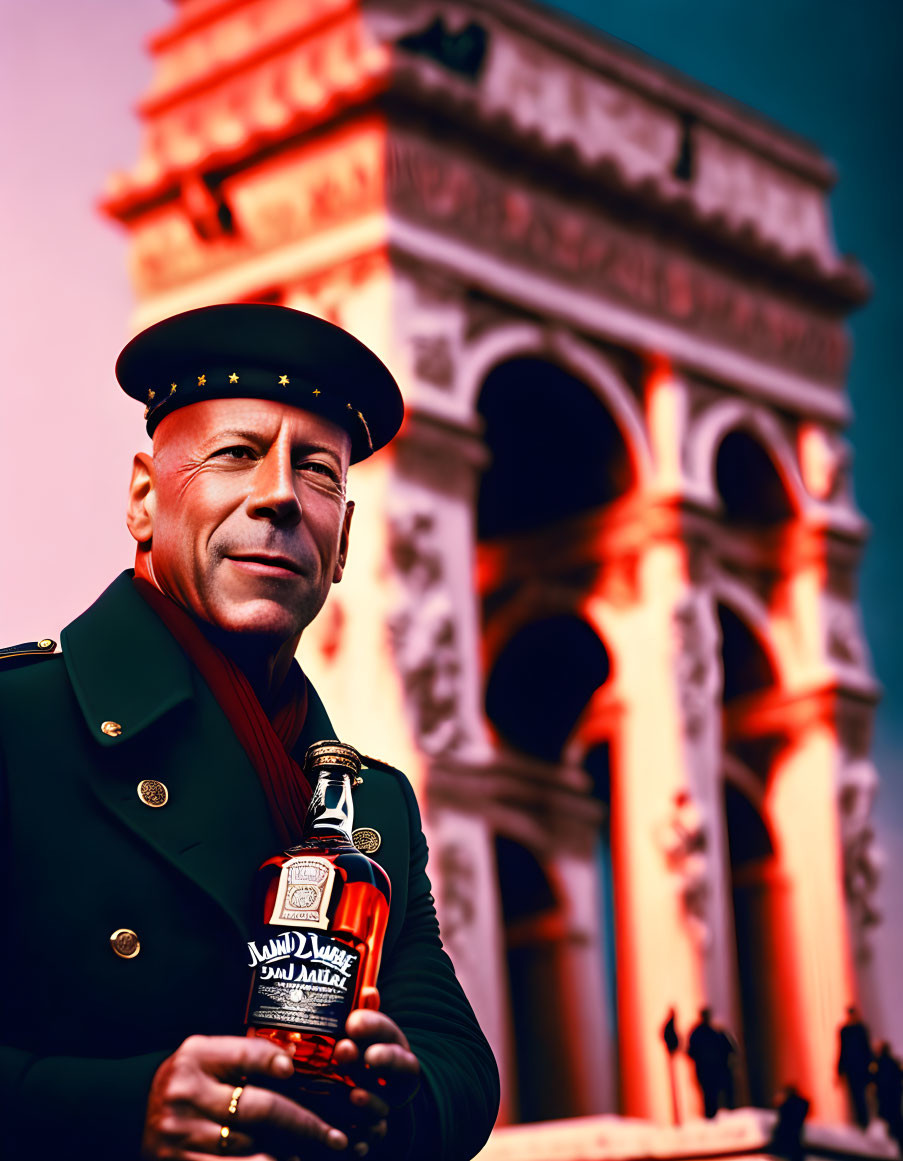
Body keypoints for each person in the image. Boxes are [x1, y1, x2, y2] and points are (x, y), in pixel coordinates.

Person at [0, 303, 499, 1161]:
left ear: (340, 548)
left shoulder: (376, 801)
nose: (278, 494)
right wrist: (125, 1111)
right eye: (236, 453)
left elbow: (458, 1063)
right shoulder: (16, 726)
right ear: (144, 497)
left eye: (317, 471)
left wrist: (390, 1102)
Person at [686, 1007, 736, 1119]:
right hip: (711, 1070)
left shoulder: (700, 1033)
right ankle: (714, 1116)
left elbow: (690, 1052)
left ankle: (713, 1116)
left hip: (708, 1070)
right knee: (713, 1096)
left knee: (710, 1096)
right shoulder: (714, 1032)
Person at [836, 1005, 873, 1128]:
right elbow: (842, 1051)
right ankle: (861, 1121)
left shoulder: (856, 1030)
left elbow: (866, 1050)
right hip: (854, 1068)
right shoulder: (849, 1030)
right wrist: (839, 1070)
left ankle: (863, 1121)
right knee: (856, 1095)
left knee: (859, 1095)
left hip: (858, 1068)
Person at [874, 1042, 903, 1150]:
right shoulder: (895, 1062)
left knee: (892, 1123)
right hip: (895, 1098)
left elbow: (875, 1080)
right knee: (897, 1122)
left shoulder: (878, 1064)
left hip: (886, 1099)